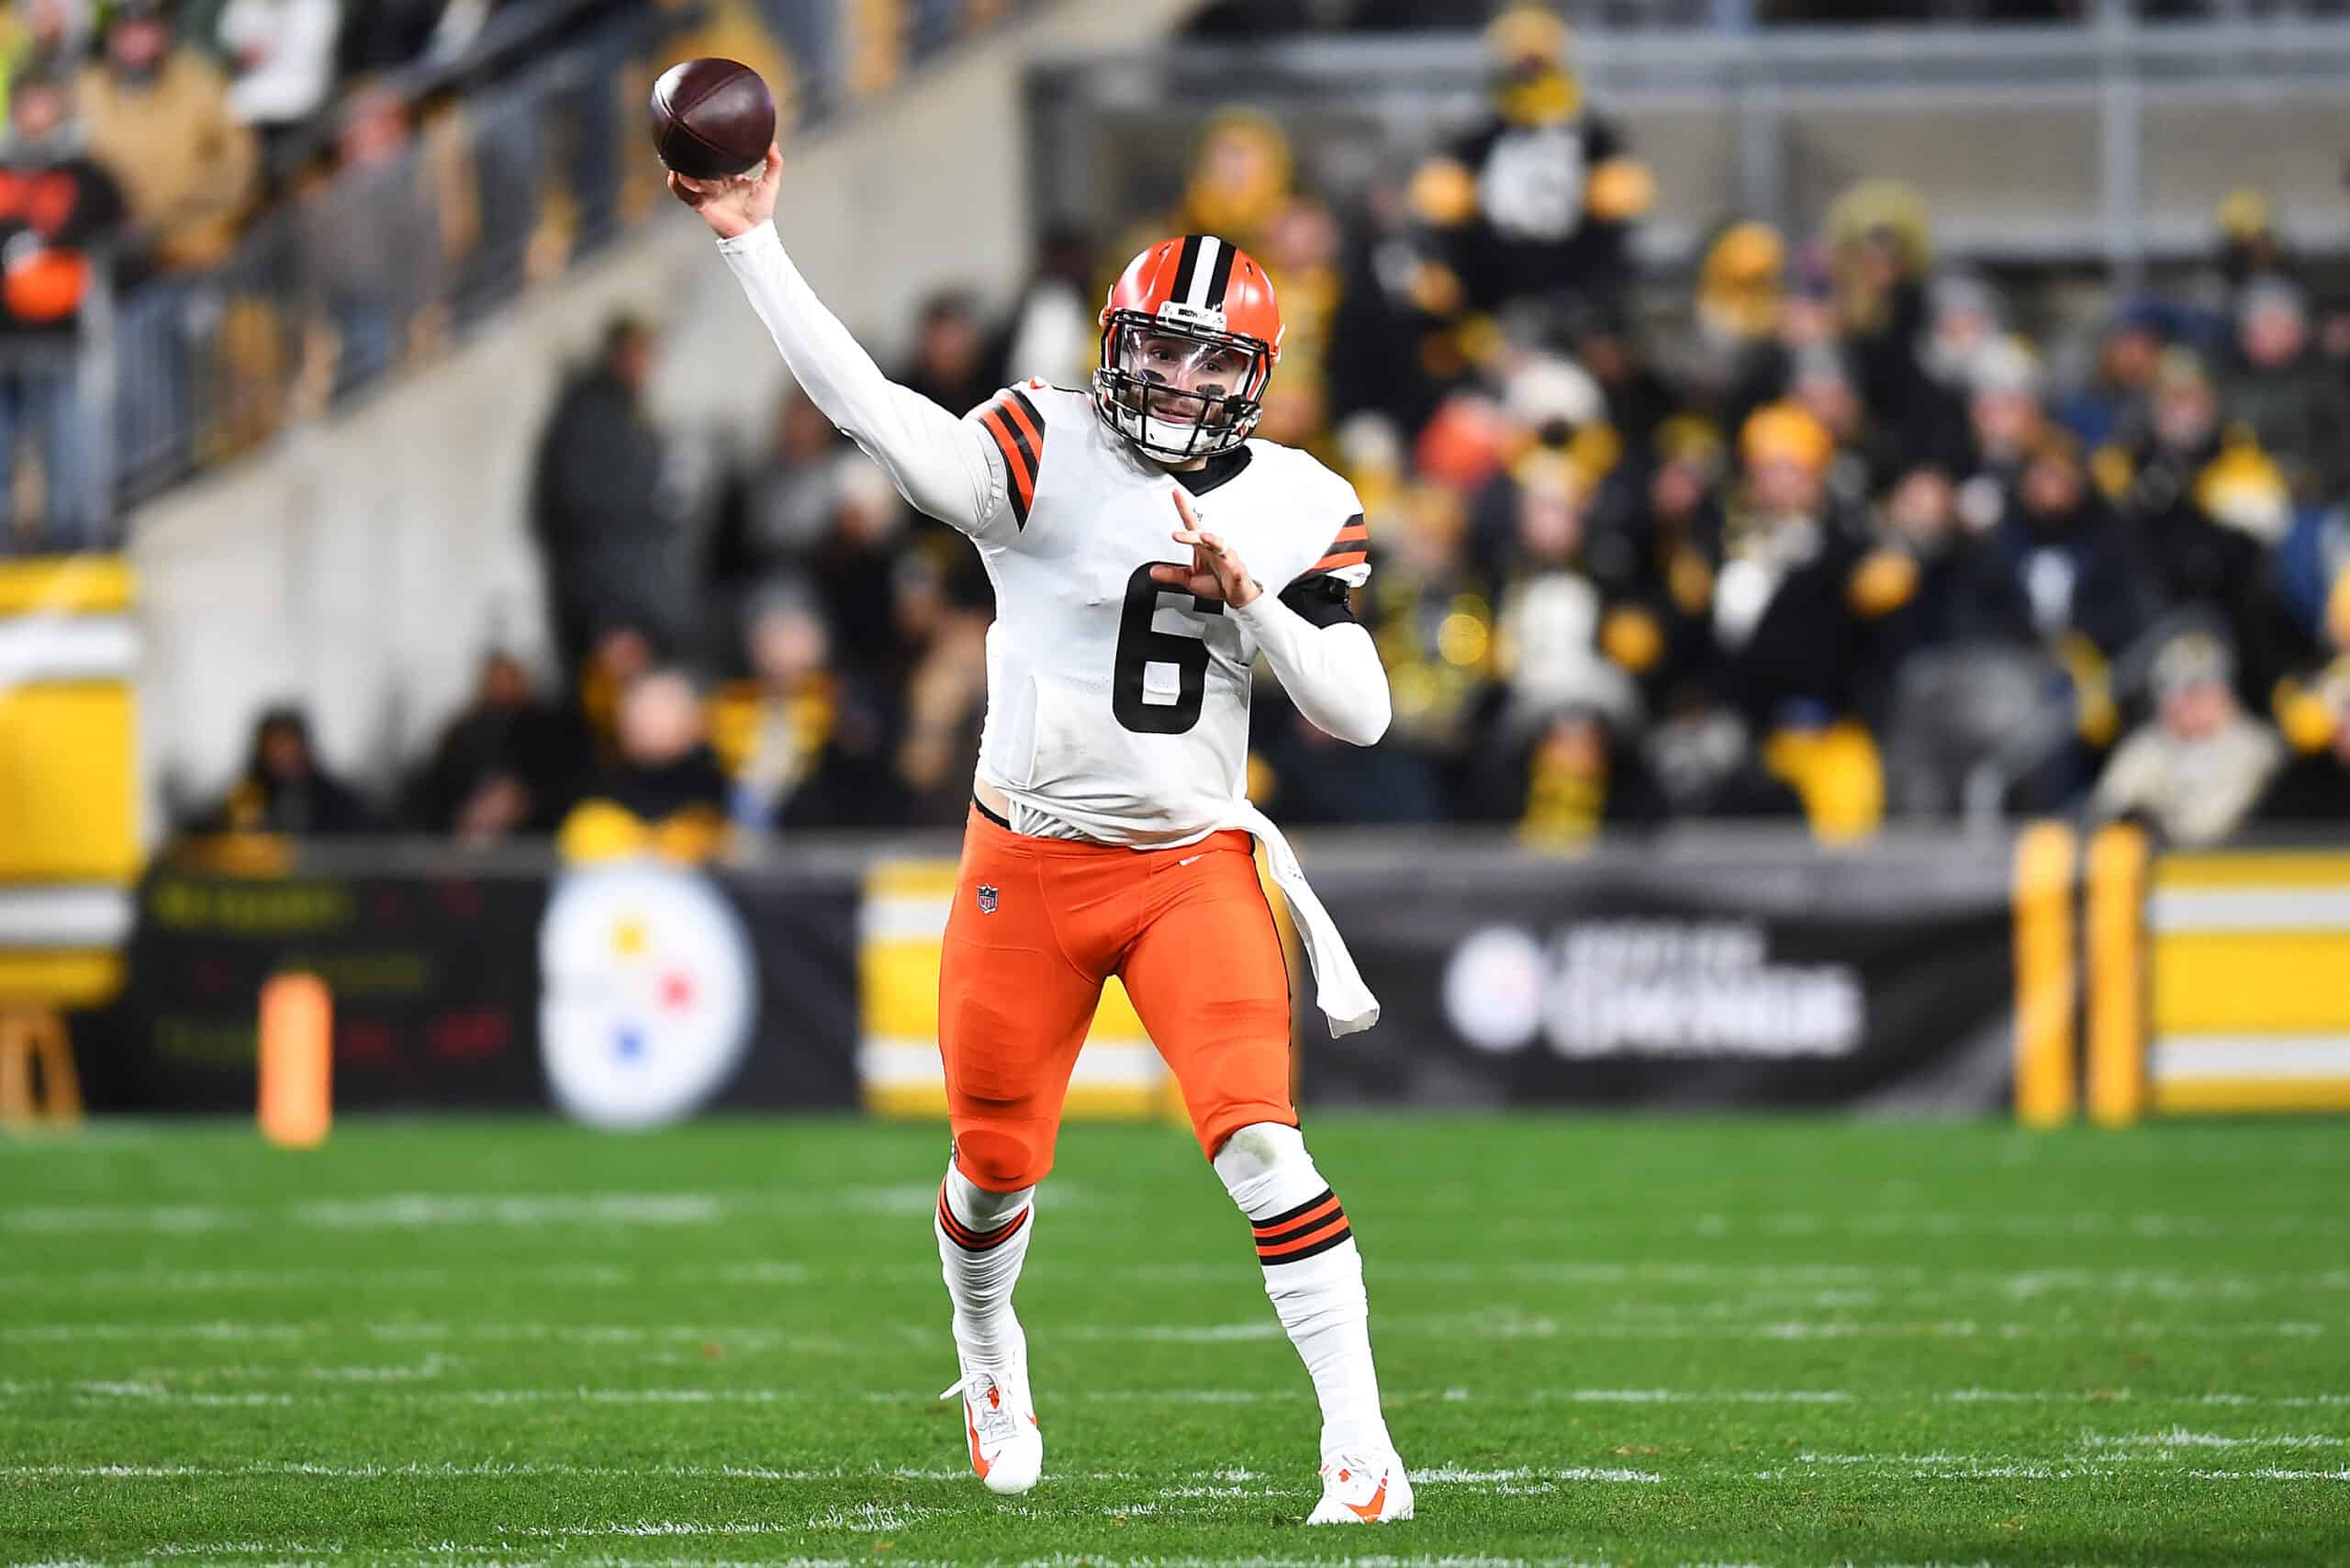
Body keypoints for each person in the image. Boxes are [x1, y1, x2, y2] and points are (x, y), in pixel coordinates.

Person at [675, 148, 1411, 1522]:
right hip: (1027, 861)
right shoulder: (1043, 441)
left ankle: (1363, 1451)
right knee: (993, 1162)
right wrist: (751, 244)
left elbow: (1359, 714)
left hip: (1193, 868)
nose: (1177, 386)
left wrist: (1254, 601)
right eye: (1155, 354)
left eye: (1208, 364)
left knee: (1263, 1145)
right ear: (1112, 350)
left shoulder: (1301, 498)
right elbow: (874, 413)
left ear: (1253, 377)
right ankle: (985, 1342)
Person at [0, 60, 126, 552]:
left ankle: (75, 530)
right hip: (5, 330)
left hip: (61, 330)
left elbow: (109, 220)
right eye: (28, 102)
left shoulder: (84, 171)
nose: (37, 112)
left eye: (45, 101)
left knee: (69, 440)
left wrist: (48, 246)